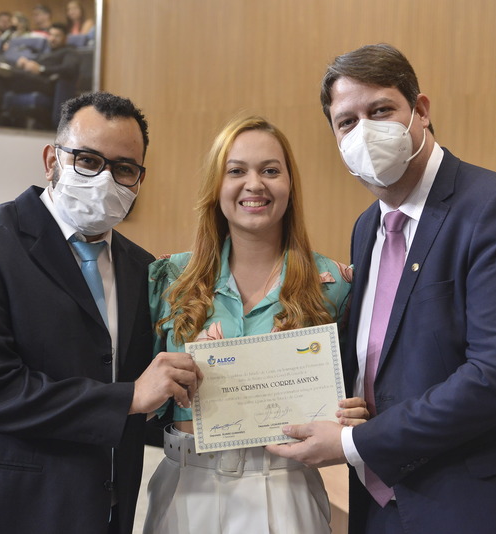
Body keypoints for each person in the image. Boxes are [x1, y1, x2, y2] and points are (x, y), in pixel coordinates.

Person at [266, 43, 496, 534]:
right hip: (389, 503)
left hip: (490, 507)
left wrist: (350, 444)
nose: (365, 131)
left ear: (420, 111)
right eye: (347, 122)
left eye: (380, 110)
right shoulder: (368, 227)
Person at [0, 91, 202, 534]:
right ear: (52, 160)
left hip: (102, 513)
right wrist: (129, 397)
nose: (105, 179)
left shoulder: (143, 269)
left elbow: (148, 398)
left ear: (139, 179)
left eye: (124, 168)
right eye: (88, 160)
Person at [143, 115, 365, 534]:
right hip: (188, 484)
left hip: (287, 484)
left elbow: (359, 392)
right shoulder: (169, 279)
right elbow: (140, 395)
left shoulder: (336, 285)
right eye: (236, 171)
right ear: (216, 186)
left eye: (270, 170)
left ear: (290, 185)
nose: (254, 184)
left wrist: (357, 412)